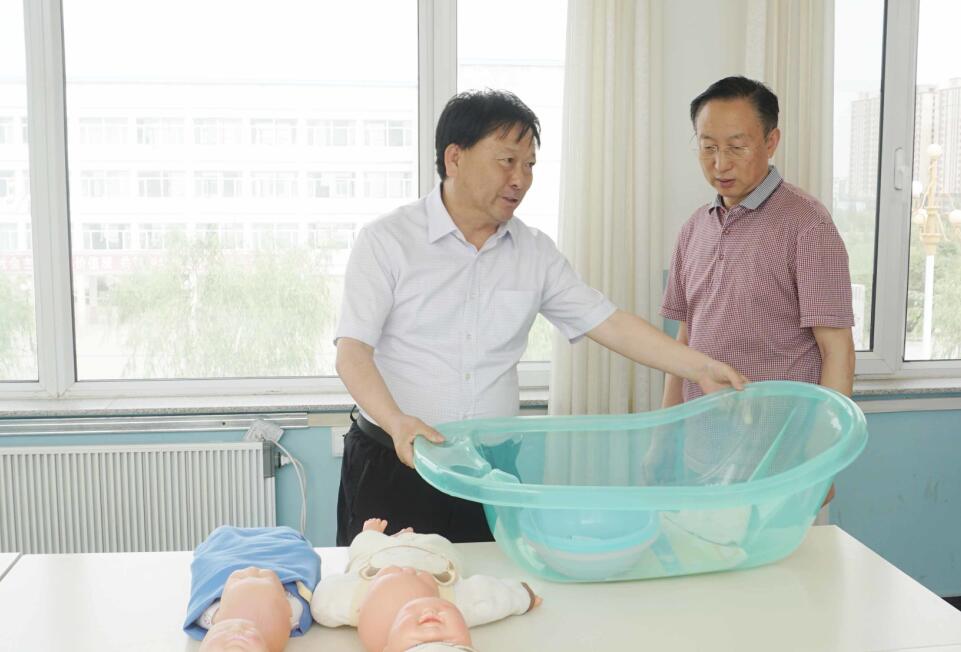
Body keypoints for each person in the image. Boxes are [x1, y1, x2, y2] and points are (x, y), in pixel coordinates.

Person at [335, 89, 748, 545]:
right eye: (507, 161)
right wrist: (396, 421)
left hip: (489, 472)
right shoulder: (387, 240)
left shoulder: (533, 251)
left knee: (497, 586)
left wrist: (700, 368)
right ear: (455, 158)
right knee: (387, 586)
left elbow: (609, 323)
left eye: (529, 165)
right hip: (396, 461)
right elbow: (352, 353)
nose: (520, 179)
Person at [660, 76, 855, 503]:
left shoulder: (807, 225)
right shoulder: (694, 229)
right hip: (702, 454)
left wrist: (821, 460)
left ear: (771, 142)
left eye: (736, 147)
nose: (720, 164)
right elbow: (684, 342)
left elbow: (837, 349)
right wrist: (662, 439)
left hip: (780, 461)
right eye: (708, 147)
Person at [311, 517, 540, 652]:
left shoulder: (358, 608)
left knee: (362, 547)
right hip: (432, 555)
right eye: (451, 644)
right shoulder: (457, 602)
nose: (433, 631)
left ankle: (373, 534)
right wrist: (523, 596)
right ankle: (412, 536)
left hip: (377, 557)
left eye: (418, 646)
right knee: (441, 543)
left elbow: (323, 601)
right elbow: (491, 596)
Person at [184, 526, 322, 652]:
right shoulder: (295, 613)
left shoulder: (210, 617)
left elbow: (203, 595)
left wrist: (216, 616)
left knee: (220, 540)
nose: (237, 631)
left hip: (224, 549)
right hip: (284, 545)